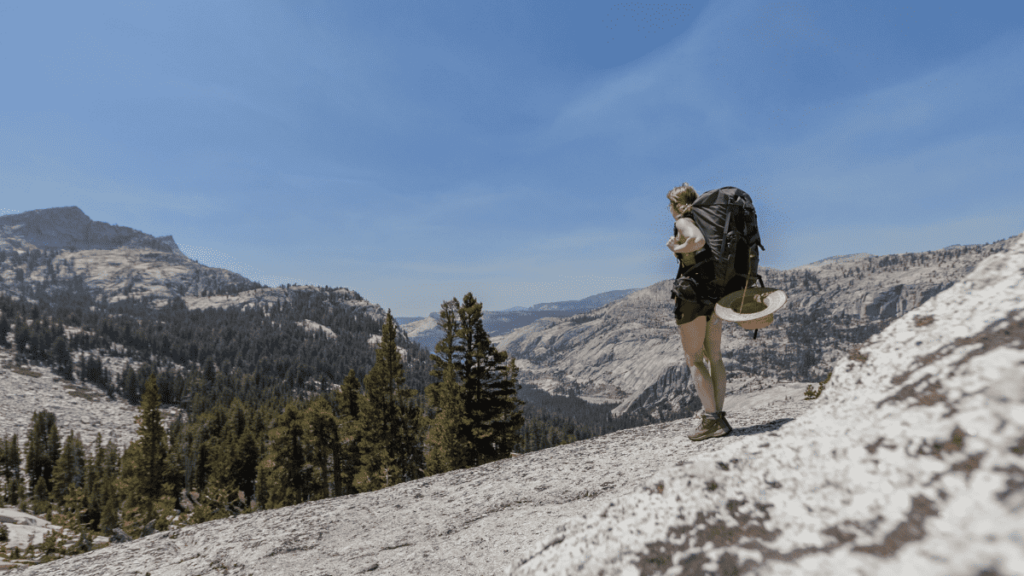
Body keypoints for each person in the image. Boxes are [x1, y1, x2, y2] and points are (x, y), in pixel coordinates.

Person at [666, 183, 747, 441]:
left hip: (693, 298)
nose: (669, 209)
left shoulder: (684, 222)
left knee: (694, 358)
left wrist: (676, 249)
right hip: (716, 295)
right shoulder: (707, 221)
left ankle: (711, 420)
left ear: (678, 205)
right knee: (715, 356)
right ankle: (718, 416)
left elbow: (697, 241)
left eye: (670, 204)